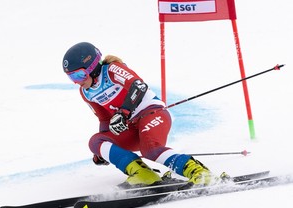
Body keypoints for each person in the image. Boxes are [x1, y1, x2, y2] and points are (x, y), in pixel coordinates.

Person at [62, 42, 215, 187]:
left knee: (150, 150)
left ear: (92, 67)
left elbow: (138, 86)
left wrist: (124, 112)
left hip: (152, 113)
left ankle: (198, 172)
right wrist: (103, 152)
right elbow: (104, 119)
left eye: (79, 76)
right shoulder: (86, 93)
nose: (77, 82)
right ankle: (142, 174)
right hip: (130, 126)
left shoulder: (111, 70)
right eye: (71, 78)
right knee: (95, 142)